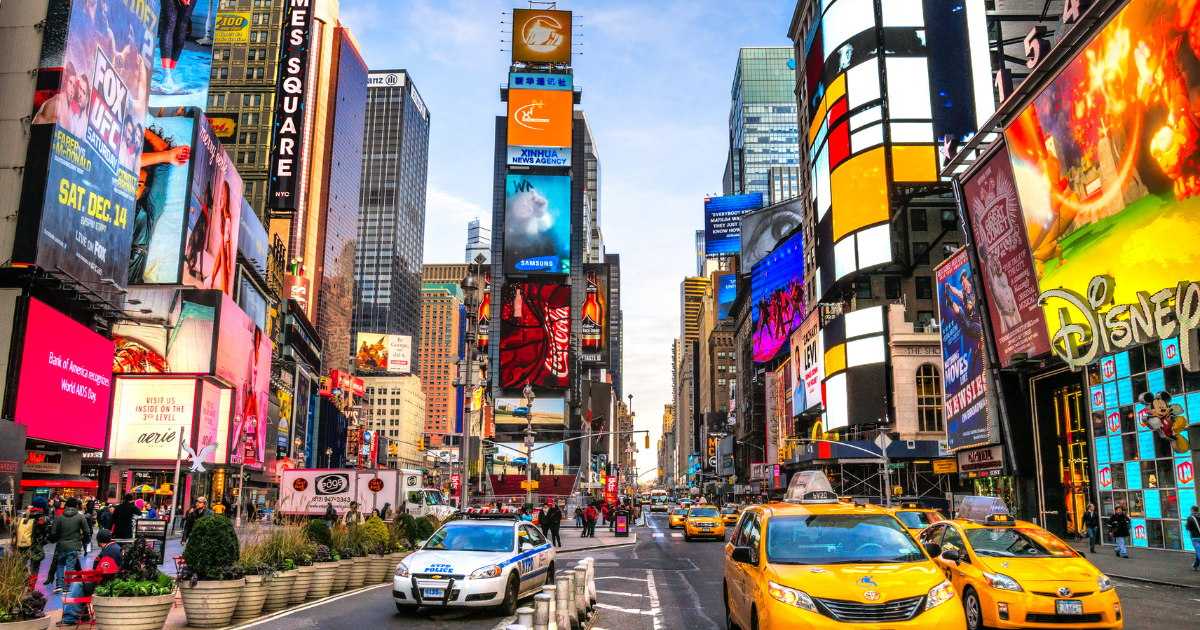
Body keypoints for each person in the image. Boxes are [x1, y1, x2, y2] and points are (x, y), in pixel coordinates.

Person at [61, 528, 124, 625]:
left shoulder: (109, 552)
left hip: (108, 581)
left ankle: (71, 616)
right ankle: (83, 612)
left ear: (99, 541)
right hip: (113, 579)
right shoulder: (114, 547)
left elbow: (102, 572)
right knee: (80, 581)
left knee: (78, 583)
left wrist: (85, 575)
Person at [49, 498, 91, 595]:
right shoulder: (80, 517)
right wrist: (86, 540)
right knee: (70, 565)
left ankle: (58, 585)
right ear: (76, 506)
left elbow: (53, 532)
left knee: (60, 564)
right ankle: (66, 587)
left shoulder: (59, 517)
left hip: (61, 545)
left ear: (66, 506)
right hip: (74, 545)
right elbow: (86, 531)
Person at [16, 496, 50, 578]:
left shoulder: (23, 515)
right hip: (35, 546)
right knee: (35, 566)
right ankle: (32, 587)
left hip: (22, 544)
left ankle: (22, 583)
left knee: (21, 564)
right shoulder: (44, 518)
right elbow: (48, 532)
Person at [1186, 505, 1200, 572]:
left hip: (1195, 537)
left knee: (1198, 551)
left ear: (1192, 510)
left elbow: (1187, 527)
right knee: (1198, 551)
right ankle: (1195, 565)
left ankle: (1195, 565)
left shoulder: (1190, 518)